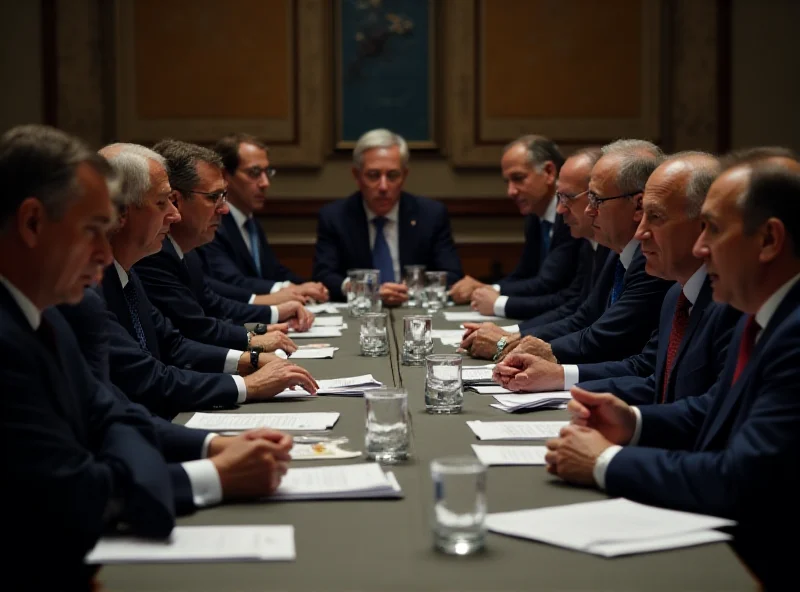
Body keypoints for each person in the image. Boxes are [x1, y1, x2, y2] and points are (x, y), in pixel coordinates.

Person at [544, 161, 800, 587]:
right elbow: (713, 413)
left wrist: (605, 461)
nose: (702, 249)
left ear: (769, 239)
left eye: (713, 229)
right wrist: (635, 422)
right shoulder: (762, 316)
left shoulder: (791, 333)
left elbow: (741, 480)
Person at [0, 124, 175, 588]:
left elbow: (114, 414)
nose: (104, 253)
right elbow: (76, 496)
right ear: (32, 222)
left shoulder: (50, 317)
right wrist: (210, 475)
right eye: (93, 230)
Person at [88, 144, 316, 418]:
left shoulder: (128, 271)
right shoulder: (92, 289)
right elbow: (149, 378)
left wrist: (250, 356)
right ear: (121, 213)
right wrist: (247, 385)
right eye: (163, 202)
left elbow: (175, 342)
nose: (174, 214)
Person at [494, 152, 741, 405]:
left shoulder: (732, 307)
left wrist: (625, 429)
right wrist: (560, 376)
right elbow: (652, 376)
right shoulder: (675, 295)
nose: (641, 231)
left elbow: (706, 413)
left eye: (655, 216)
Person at [463, 140, 674, 365]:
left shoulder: (651, 259)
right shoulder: (616, 251)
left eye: (596, 199)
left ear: (639, 205)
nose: (586, 210)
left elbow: (609, 339)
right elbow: (583, 315)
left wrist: (511, 343)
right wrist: (515, 337)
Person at [135, 139, 314, 351]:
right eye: (213, 198)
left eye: (223, 197)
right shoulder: (154, 255)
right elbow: (195, 329)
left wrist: (269, 322)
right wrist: (253, 344)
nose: (224, 209)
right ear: (176, 201)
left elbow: (215, 309)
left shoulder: (186, 252)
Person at [312, 128, 463, 303]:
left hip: (414, 310)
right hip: (361, 314)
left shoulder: (430, 214)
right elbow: (323, 275)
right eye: (373, 175)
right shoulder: (335, 217)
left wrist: (414, 288)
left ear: (404, 175)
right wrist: (366, 290)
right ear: (357, 176)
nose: (383, 186)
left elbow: (452, 274)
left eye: (392, 175)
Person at [449, 136, 583, 314]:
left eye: (518, 178)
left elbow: (548, 282)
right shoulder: (534, 216)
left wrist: (488, 290)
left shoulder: (572, 215)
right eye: (508, 182)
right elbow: (523, 273)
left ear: (549, 172)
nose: (510, 191)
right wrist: (488, 289)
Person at [199, 133, 328, 303]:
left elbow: (273, 271)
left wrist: (308, 286)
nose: (265, 183)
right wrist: (290, 289)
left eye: (267, 172)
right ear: (225, 176)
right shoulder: (212, 222)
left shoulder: (251, 223)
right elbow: (230, 280)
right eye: (254, 173)